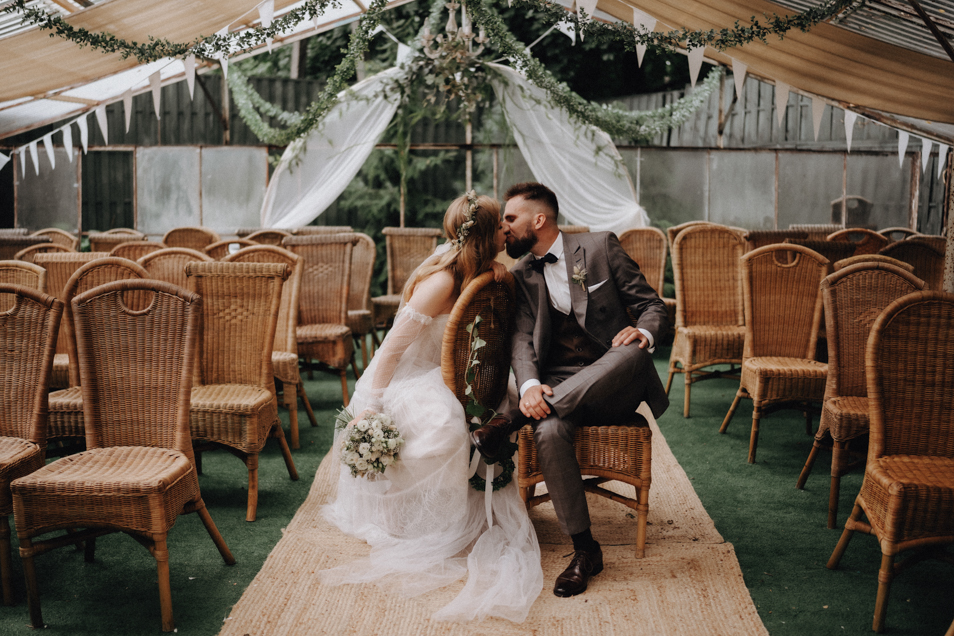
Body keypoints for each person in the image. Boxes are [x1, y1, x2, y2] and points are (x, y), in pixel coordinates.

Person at [319, 192, 544, 623]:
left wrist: (496, 268)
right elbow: (390, 352)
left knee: (512, 399)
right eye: (501, 225)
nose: (507, 230)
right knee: (444, 424)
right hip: (407, 375)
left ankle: (468, 506)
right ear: (485, 235)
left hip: (457, 371)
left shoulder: (487, 269)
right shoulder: (441, 280)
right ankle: (417, 518)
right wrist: (372, 406)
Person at [471, 182, 669, 598]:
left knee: (633, 351)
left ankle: (511, 422)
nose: (505, 227)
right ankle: (585, 551)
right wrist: (529, 386)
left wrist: (645, 332)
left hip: (615, 382)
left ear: (539, 220)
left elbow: (653, 306)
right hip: (559, 388)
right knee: (547, 429)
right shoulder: (522, 273)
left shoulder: (600, 247)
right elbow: (521, 338)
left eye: (511, 218)